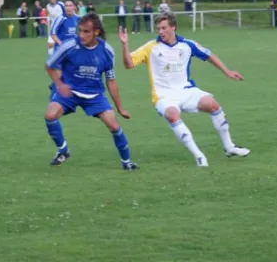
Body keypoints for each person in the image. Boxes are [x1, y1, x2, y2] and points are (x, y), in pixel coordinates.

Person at [118, 12, 250, 167]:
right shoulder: (151, 47)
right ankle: (199, 156)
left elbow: (208, 55)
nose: (161, 31)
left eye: (164, 28)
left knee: (213, 105)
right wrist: (125, 45)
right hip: (163, 96)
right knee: (173, 115)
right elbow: (128, 64)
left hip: (186, 91)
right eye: (158, 28)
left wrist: (227, 71)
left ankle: (229, 147)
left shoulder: (187, 44)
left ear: (173, 27)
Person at [44, 13, 139, 170]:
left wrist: (120, 108)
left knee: (115, 127)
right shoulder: (69, 46)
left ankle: (127, 162)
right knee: (50, 116)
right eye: (80, 31)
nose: (82, 35)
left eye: (86, 31)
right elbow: (49, 65)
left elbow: (111, 80)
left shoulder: (107, 51)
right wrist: (60, 85)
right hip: (70, 91)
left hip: (94, 95)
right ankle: (63, 150)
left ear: (96, 32)